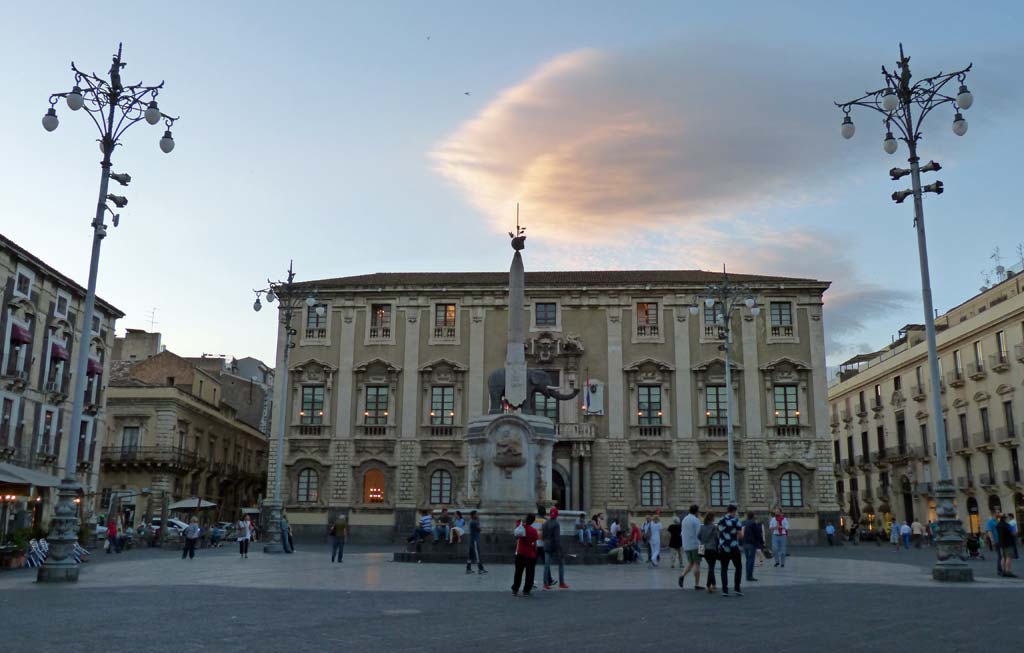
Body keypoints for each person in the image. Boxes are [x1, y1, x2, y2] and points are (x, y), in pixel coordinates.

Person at [717, 505, 743, 596]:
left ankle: (725, 590)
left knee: (724, 568)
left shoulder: (721, 520)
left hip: (724, 547)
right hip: (734, 547)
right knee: (738, 567)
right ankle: (737, 588)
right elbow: (740, 535)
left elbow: (719, 533)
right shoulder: (736, 521)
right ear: (734, 511)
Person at [511, 514, 539, 596]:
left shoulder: (521, 528)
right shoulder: (534, 531)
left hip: (520, 553)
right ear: (533, 521)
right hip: (530, 554)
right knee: (530, 573)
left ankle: (515, 589)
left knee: (518, 572)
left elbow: (517, 537)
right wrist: (535, 552)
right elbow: (535, 544)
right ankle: (526, 590)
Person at [541, 507, 569, 589]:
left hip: (546, 545)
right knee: (561, 563)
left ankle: (545, 584)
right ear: (557, 515)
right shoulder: (556, 524)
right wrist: (560, 550)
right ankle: (561, 583)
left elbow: (543, 536)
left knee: (546, 565)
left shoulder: (545, 523)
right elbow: (557, 538)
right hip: (554, 546)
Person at [678, 504, 703, 589]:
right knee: (697, 563)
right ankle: (697, 584)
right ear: (696, 511)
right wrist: (702, 547)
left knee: (690, 562)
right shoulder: (696, 520)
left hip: (686, 545)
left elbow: (682, 533)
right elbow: (699, 534)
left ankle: (682, 576)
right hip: (696, 545)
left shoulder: (685, 519)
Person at [698, 513, 718, 594]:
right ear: (712, 518)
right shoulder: (714, 527)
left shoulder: (702, 526)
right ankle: (708, 585)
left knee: (710, 566)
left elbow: (698, 536)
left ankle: (713, 584)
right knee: (711, 567)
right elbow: (718, 537)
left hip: (702, 548)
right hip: (711, 548)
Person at [741, 511, 763, 582]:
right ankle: (749, 576)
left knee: (747, 560)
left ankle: (748, 575)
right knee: (751, 560)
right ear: (753, 516)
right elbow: (757, 533)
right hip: (751, 544)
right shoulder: (753, 523)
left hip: (744, 543)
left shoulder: (743, 522)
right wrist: (761, 542)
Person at [986, 511, 1003, 576]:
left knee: (1002, 556)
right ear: (994, 513)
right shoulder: (990, 522)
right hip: (996, 541)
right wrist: (992, 540)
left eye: (999, 512)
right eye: (998, 512)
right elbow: (989, 531)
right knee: (1000, 556)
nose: (999, 513)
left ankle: (1002, 569)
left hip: (1001, 540)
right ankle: (999, 570)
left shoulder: (998, 521)